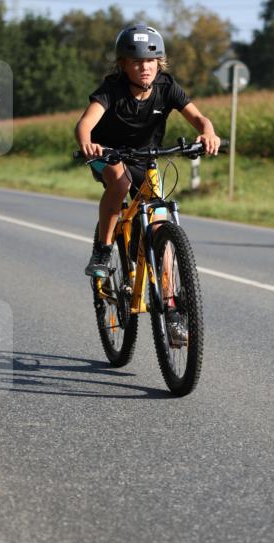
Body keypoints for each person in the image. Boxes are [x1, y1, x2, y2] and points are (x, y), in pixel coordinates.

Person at [75, 23, 220, 343]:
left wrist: (208, 132)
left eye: (150, 62)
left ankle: (171, 311)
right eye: (137, 62)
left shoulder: (167, 87)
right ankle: (103, 249)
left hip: (146, 158)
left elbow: (199, 118)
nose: (145, 68)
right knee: (120, 181)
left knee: (158, 223)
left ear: (160, 63)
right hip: (107, 154)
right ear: (123, 65)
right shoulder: (111, 90)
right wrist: (88, 143)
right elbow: (85, 124)